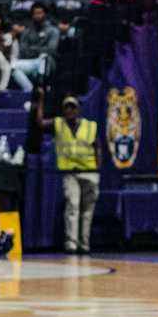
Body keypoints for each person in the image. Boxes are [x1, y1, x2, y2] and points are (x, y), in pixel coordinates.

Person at [46, 94, 100, 254]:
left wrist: (98, 168)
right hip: (70, 172)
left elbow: (98, 147)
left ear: (78, 109)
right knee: (73, 206)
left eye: (73, 107)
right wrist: (41, 99)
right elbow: (40, 123)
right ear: (63, 110)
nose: (70, 110)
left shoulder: (90, 126)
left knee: (88, 211)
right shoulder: (58, 124)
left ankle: (84, 244)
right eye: (67, 107)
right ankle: (71, 244)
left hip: (90, 172)